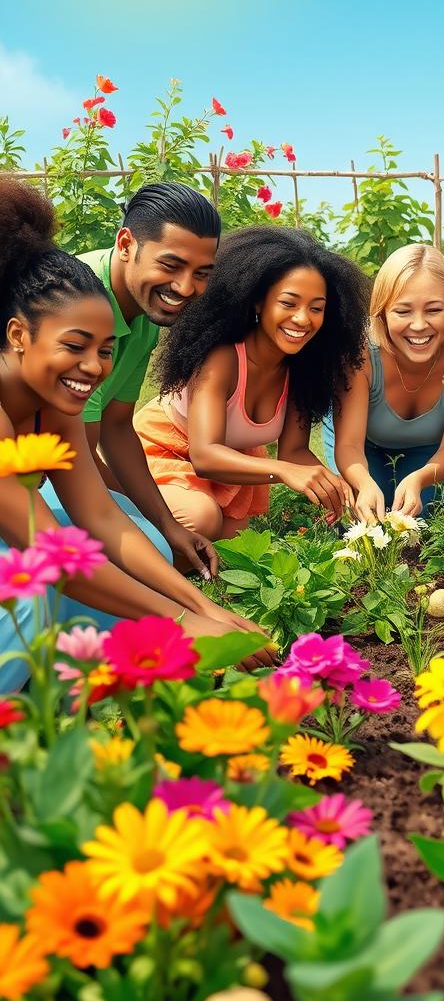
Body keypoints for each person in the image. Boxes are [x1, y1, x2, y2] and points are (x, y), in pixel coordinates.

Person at [0, 179, 272, 693]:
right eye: (76, 345)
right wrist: (179, 622)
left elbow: (98, 512)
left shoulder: (58, 399)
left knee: (128, 546)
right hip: (25, 550)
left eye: (105, 350)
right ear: (18, 336)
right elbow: (53, 554)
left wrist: (203, 606)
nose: (94, 366)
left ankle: (71, 675)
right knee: (34, 592)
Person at [135, 226, 368, 538]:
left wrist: (333, 484)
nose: (303, 319)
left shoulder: (301, 368)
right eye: (289, 303)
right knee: (201, 520)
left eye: (316, 308)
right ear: (258, 302)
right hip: (164, 453)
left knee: (234, 541)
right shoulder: (223, 359)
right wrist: (286, 473)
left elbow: (294, 452)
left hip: (230, 469)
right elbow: (205, 455)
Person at [46, 182, 223, 579]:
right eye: (171, 265)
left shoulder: (144, 311)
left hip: (67, 463)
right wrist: (155, 529)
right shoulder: (78, 302)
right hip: (32, 469)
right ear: (126, 244)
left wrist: (165, 522)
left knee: (182, 531)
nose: (185, 288)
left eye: (201, 273)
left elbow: (116, 426)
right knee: (152, 555)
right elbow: (78, 457)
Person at [325, 244, 444, 520]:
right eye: (403, 311)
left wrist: (420, 479)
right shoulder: (359, 349)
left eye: (434, 310)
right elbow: (349, 445)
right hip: (360, 443)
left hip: (429, 450)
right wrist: (362, 482)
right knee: (362, 521)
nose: (419, 325)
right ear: (382, 313)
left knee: (416, 522)